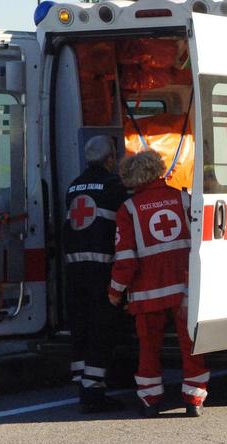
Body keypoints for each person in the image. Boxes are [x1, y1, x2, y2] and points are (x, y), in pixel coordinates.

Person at [108, 150, 209, 417]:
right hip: (185, 288)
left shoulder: (128, 210)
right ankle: (194, 399)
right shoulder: (183, 199)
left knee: (149, 349)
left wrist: (115, 291)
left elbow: (126, 258)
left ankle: (151, 401)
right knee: (190, 345)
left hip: (147, 293)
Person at [64, 135, 128, 413]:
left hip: (74, 269)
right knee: (102, 329)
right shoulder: (115, 187)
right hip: (102, 270)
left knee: (81, 326)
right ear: (111, 159)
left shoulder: (73, 187)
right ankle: (93, 392)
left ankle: (83, 382)